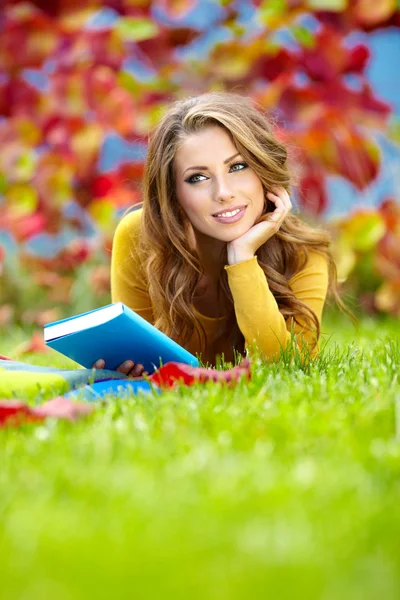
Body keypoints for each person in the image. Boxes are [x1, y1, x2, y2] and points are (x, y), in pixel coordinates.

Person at [94, 91, 355, 378]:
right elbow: (137, 358)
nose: (224, 193)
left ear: (263, 168)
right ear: (173, 192)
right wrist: (125, 368)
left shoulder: (304, 255)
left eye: (238, 167)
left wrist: (242, 258)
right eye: (198, 177)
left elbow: (286, 370)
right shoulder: (140, 236)